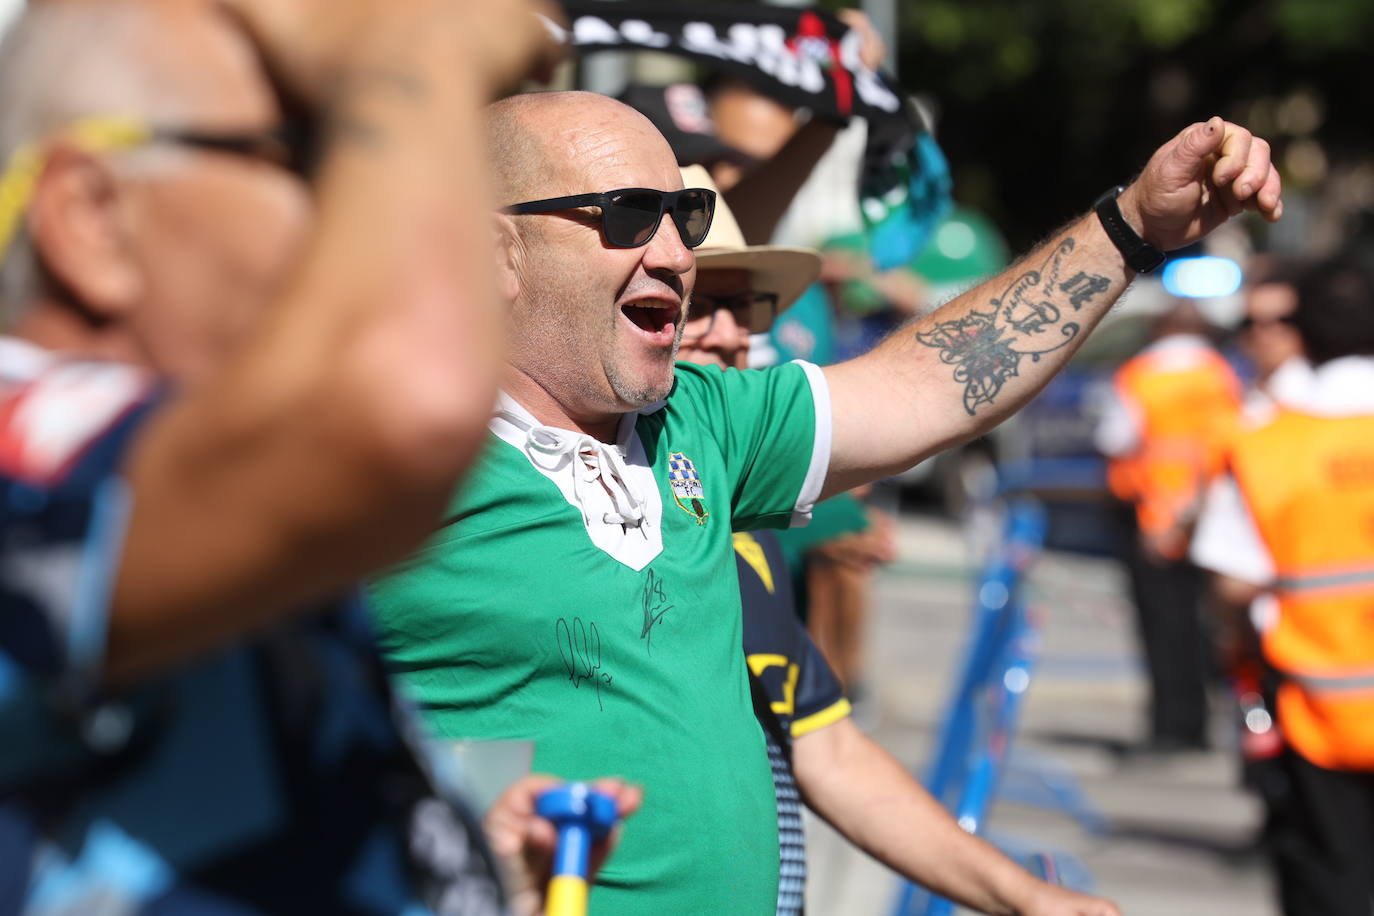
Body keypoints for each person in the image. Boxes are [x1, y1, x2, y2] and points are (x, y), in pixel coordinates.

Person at [367, 88, 1280, 913]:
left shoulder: (702, 419)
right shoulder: (382, 470)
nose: (678, 254)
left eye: (686, 217)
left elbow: (934, 383)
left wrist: (1131, 227)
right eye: (630, 214)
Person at [0, 2, 638, 914]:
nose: (370, 199)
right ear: (93, 218)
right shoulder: (27, 455)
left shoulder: (204, 488)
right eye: (315, 149)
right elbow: (406, 404)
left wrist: (452, 872)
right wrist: (423, 48)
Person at [680, 166, 1121, 916]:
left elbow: (828, 749)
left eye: (743, 307)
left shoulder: (738, 527)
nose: (728, 334)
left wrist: (1027, 897)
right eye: (696, 305)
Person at [1190, 255, 1374, 916]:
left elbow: (1233, 584)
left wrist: (1234, 648)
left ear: (1304, 333)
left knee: (1330, 875)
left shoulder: (1268, 445)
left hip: (1319, 708)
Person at [1094, 300, 1243, 751]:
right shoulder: (1220, 373)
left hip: (1152, 517)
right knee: (1206, 621)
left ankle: (1171, 726)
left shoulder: (1140, 375)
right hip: (1212, 512)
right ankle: (1206, 718)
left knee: (1162, 624)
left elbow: (1114, 437)